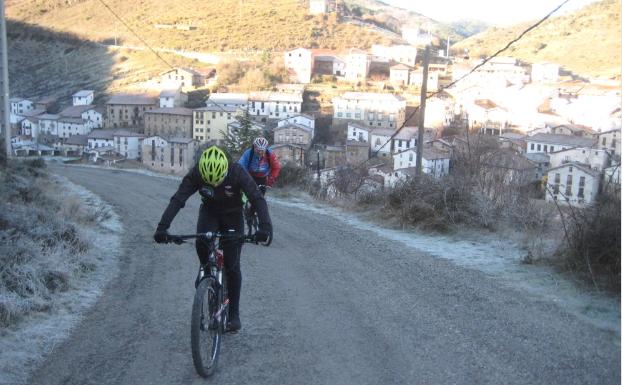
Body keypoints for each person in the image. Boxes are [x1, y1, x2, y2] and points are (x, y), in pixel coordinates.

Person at [153, 145, 272, 333]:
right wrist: (162, 227)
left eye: (219, 182)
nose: (215, 186)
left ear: (225, 170)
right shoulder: (197, 173)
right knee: (201, 242)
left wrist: (265, 227)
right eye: (211, 183)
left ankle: (234, 315)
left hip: (233, 214)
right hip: (210, 212)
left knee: (232, 265)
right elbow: (178, 199)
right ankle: (207, 276)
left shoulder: (237, 172)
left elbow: (257, 199)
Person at [238, 137, 281, 235]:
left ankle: (253, 215)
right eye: (258, 150)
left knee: (259, 200)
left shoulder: (270, 154)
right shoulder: (248, 153)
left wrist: (271, 180)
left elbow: (276, 167)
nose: (260, 153)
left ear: (266, 149)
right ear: (254, 147)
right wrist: (241, 180)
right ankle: (244, 214)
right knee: (245, 198)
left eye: (263, 151)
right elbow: (240, 167)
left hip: (262, 178)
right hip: (249, 177)